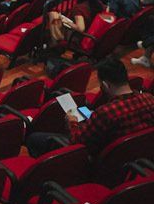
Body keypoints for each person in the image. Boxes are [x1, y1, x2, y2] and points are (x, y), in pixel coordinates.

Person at [26, 59, 154, 157]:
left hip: (97, 159)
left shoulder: (106, 113)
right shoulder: (149, 99)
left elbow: (77, 142)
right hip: (129, 155)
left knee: (34, 138)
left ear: (105, 85)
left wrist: (72, 122)